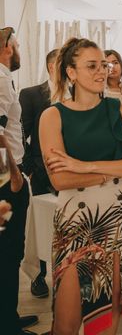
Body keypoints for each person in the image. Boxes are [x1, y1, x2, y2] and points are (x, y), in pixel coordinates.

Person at [39, 37, 122, 335]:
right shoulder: (53, 116)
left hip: (117, 216)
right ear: (71, 72)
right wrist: (113, 172)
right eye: (92, 66)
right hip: (75, 220)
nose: (102, 71)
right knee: (66, 321)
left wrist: (84, 165)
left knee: (106, 314)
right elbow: (60, 179)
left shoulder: (118, 110)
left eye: (104, 64)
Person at [0, 26, 39, 335]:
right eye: (17, 45)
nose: (20, 52)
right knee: (9, 249)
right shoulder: (0, 78)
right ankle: (7, 323)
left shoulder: (4, 78)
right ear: (7, 48)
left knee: (9, 250)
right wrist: (13, 174)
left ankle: (8, 316)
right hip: (6, 183)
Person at [19, 48, 58, 298]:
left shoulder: (77, 95)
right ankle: (39, 275)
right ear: (52, 66)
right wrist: (30, 167)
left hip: (71, 171)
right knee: (42, 224)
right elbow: (21, 133)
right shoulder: (32, 94)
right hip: (41, 172)